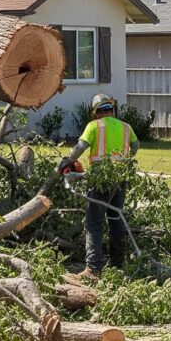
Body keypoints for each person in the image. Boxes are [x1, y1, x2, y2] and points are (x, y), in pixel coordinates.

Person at [59, 93, 139, 278]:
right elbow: (136, 146)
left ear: (96, 112)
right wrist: (125, 160)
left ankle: (93, 269)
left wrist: (67, 161)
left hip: (101, 180)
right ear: (112, 108)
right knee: (115, 219)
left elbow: (80, 146)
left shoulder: (94, 126)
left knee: (93, 222)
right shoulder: (126, 127)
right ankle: (119, 264)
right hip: (121, 178)